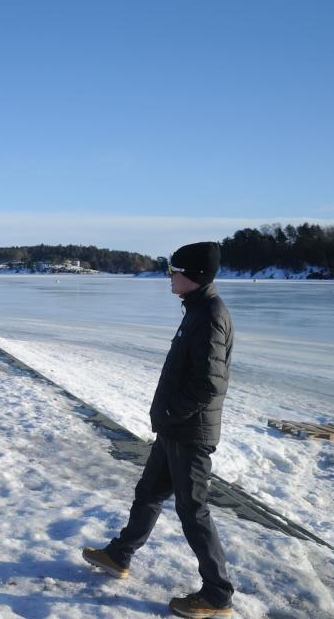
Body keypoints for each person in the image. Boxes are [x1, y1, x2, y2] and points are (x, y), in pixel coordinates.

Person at [82, 242, 235, 619]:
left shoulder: (211, 315)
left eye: (174, 271)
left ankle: (217, 595)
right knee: (148, 492)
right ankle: (120, 555)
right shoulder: (197, 310)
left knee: (193, 510)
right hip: (175, 429)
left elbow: (208, 385)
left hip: (189, 431)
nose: (169, 277)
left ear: (194, 276)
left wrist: (169, 411)